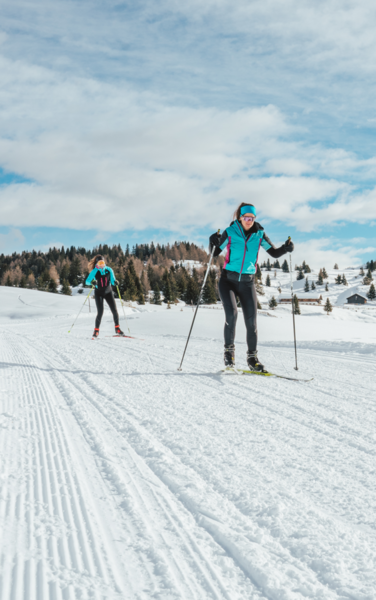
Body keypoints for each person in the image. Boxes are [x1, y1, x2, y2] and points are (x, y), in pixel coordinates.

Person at [209, 202, 294, 372]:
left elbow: (274, 253)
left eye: (252, 218)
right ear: (240, 218)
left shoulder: (260, 234)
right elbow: (215, 253)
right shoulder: (230, 231)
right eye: (246, 217)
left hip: (247, 283)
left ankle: (252, 359)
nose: (249, 220)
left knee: (251, 322)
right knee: (232, 315)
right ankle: (229, 354)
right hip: (228, 281)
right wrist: (212, 242)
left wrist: (286, 248)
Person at [85, 255, 124, 338]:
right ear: (97, 263)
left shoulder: (109, 270)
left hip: (108, 292)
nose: (101, 264)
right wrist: (92, 282)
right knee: (100, 312)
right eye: (100, 263)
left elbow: (113, 281)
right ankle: (96, 331)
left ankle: (117, 328)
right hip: (98, 293)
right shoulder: (94, 271)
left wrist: (115, 282)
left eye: (103, 262)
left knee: (114, 310)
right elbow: (87, 281)